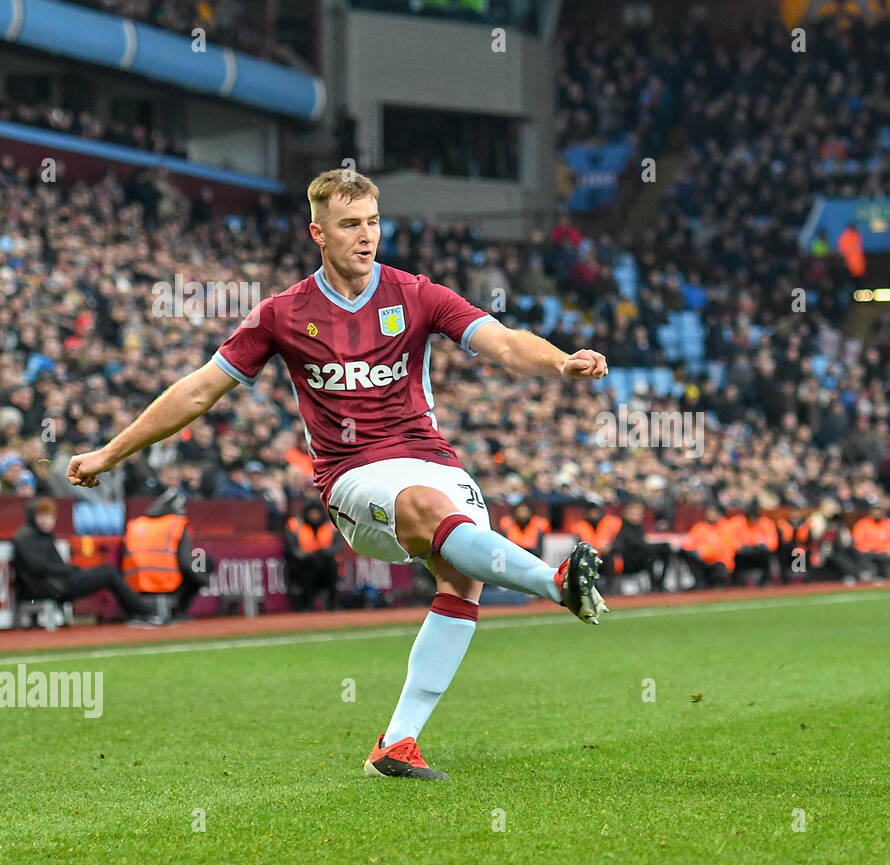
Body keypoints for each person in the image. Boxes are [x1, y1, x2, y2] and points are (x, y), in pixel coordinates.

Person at [66, 168, 610, 781]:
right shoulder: (282, 314)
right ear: (317, 232)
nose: (366, 235)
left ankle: (397, 744)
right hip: (354, 474)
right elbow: (198, 392)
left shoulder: (418, 294)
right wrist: (110, 453)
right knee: (428, 511)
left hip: (431, 457)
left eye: (373, 222)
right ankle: (553, 581)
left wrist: (562, 361)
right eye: (350, 224)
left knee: (460, 580)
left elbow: (506, 344)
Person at [12, 498, 164, 626]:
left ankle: (138, 612)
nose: (47, 521)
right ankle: (142, 613)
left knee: (108, 570)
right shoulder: (26, 537)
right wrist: (70, 570)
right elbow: (37, 567)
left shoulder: (41, 535)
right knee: (109, 573)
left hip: (57, 582)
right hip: (51, 587)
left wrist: (69, 570)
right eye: (43, 516)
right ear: (33, 516)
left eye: (51, 517)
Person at [122, 488, 209, 620]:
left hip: (133, 586)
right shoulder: (176, 524)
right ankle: (179, 612)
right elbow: (186, 564)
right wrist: (204, 581)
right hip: (166, 583)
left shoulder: (136, 524)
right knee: (205, 564)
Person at [284, 500, 340, 611]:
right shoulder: (295, 525)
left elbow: (337, 547)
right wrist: (307, 556)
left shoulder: (331, 525)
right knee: (305, 569)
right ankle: (307, 605)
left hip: (326, 563)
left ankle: (333, 605)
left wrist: (323, 553)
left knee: (332, 566)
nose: (314, 516)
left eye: (316, 512)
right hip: (305, 564)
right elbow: (292, 548)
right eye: (311, 513)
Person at [606, 500, 673, 591]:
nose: (638, 516)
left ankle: (660, 583)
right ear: (626, 513)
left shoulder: (638, 526)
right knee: (650, 551)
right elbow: (631, 544)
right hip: (627, 561)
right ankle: (654, 584)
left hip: (642, 557)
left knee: (665, 548)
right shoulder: (621, 525)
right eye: (634, 513)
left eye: (640, 513)